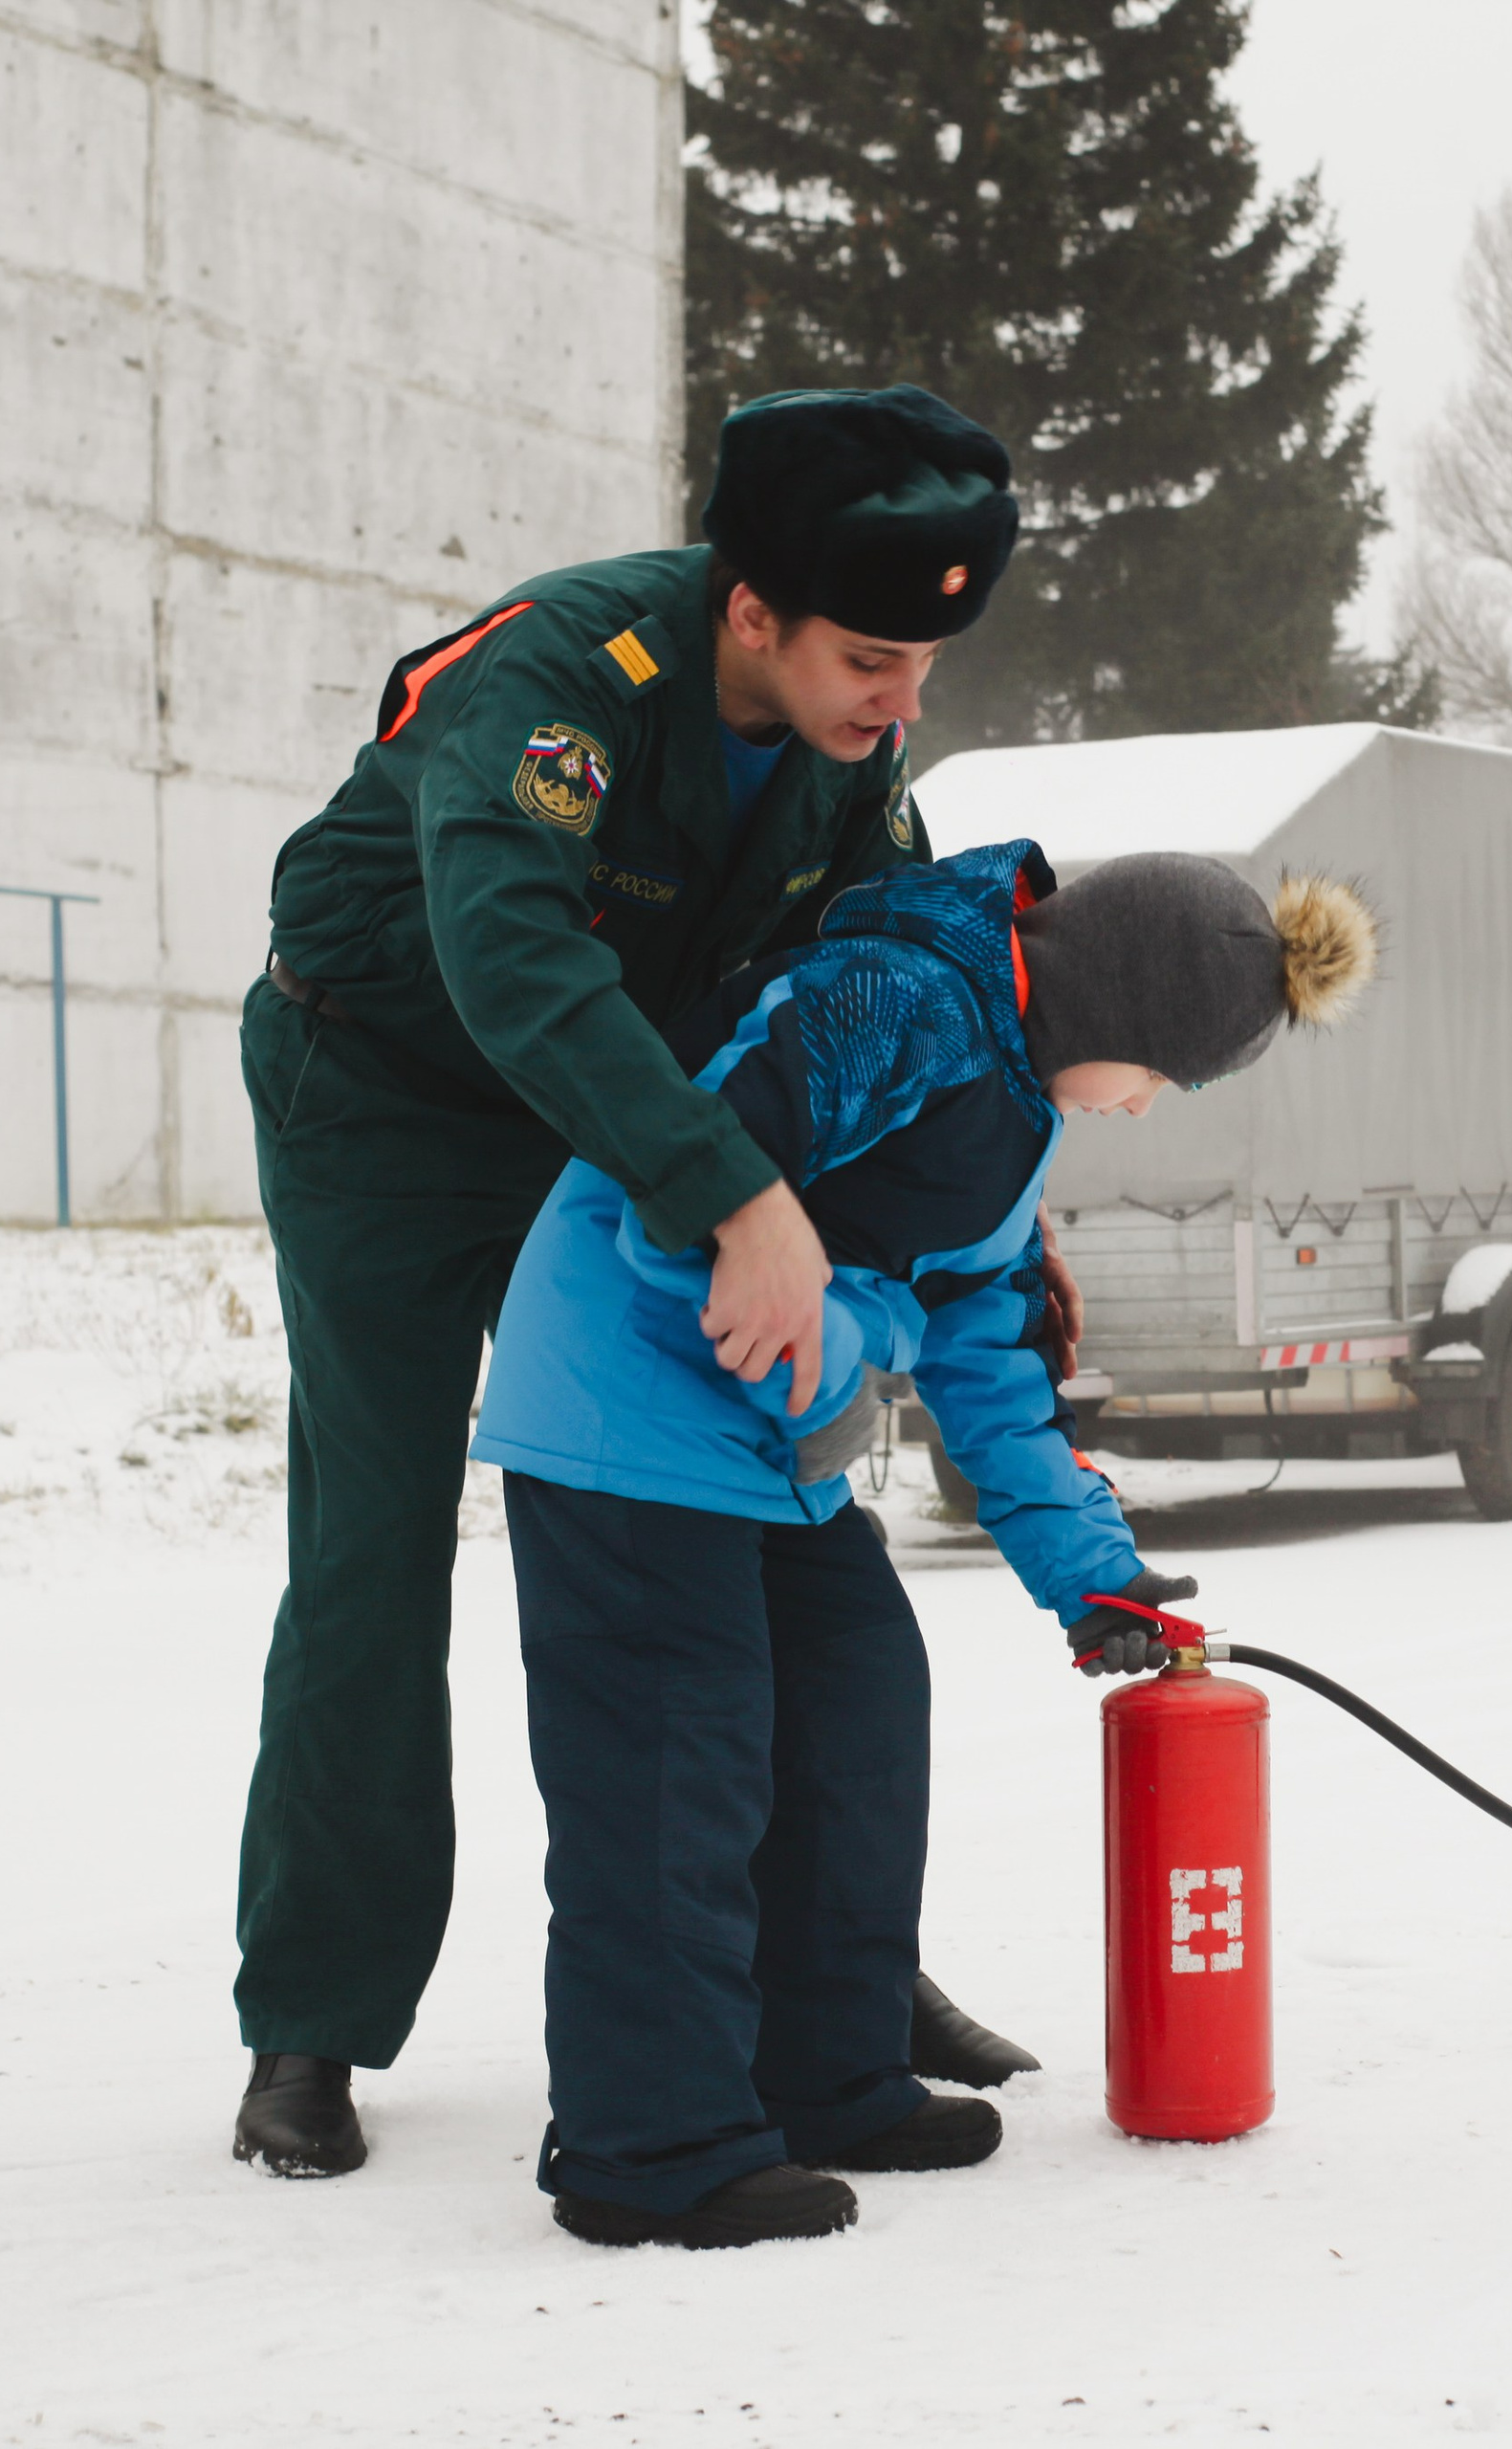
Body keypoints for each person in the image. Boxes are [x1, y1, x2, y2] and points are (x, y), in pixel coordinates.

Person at [234, 387, 1068, 2178]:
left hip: (620, 1120)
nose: (903, 701)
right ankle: (312, 2013)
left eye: (925, 661)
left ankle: (837, 1979)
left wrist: (1001, 1206)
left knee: (779, 1500)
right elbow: (514, 953)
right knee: (375, 1538)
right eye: (871, 655)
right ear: (748, 610)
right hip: (383, 1096)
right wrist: (733, 1190)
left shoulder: (853, 766)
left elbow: (909, 981)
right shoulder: (562, 680)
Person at [465, 842, 1378, 2246]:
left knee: (861, 1703)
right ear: (1121, 1011)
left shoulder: (1015, 1114)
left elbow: (985, 1355)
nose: (1147, 1106)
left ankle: (824, 2077)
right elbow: (679, 1204)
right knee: (675, 1759)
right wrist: (837, 1366)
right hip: (628, 1406)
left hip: (762, 1448)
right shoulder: (897, 1005)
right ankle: (648, 2143)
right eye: (1167, 1074)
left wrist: (1095, 1575)